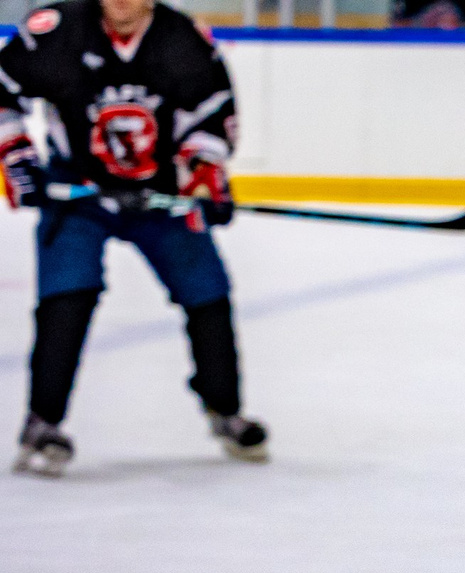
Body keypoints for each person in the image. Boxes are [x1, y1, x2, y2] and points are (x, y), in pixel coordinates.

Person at [1, 0, 267, 477]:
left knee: (207, 292)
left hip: (160, 196)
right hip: (78, 194)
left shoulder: (181, 40)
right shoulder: (58, 31)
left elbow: (210, 118)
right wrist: (17, 156)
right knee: (67, 294)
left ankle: (224, 409)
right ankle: (42, 423)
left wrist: (205, 174)